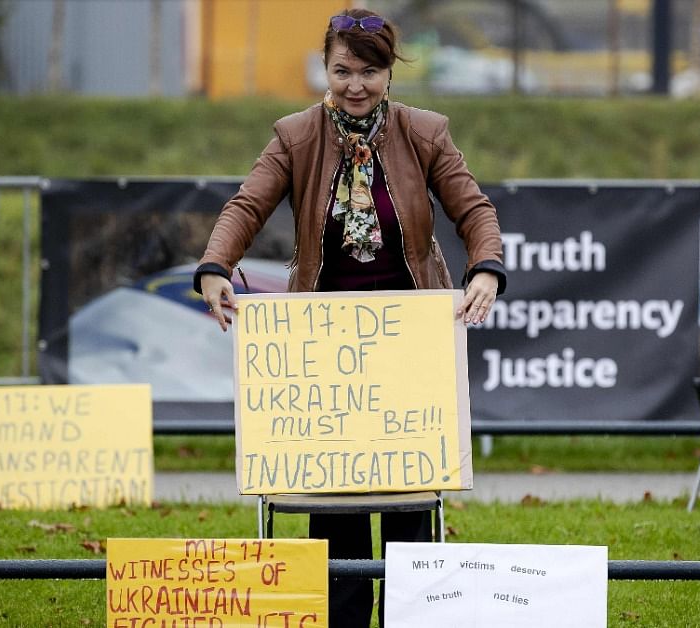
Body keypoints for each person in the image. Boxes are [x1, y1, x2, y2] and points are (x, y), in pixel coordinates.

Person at [193, 9, 506, 628]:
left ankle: (409, 619)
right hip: (327, 350)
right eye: (343, 70)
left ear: (390, 72)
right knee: (333, 506)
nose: (355, 84)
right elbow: (247, 204)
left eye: (370, 70)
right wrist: (213, 264)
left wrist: (487, 267)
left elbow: (474, 209)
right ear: (325, 70)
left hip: (411, 343)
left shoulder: (426, 132)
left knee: (410, 504)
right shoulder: (295, 135)